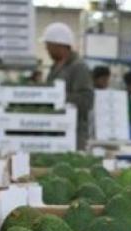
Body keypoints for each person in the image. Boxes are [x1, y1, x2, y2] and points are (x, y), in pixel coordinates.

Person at [41, 23, 94, 151]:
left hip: (73, 136)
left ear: (59, 45)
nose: (46, 49)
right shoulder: (55, 68)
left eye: (48, 45)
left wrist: (56, 98)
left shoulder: (78, 67)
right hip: (55, 132)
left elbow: (86, 100)